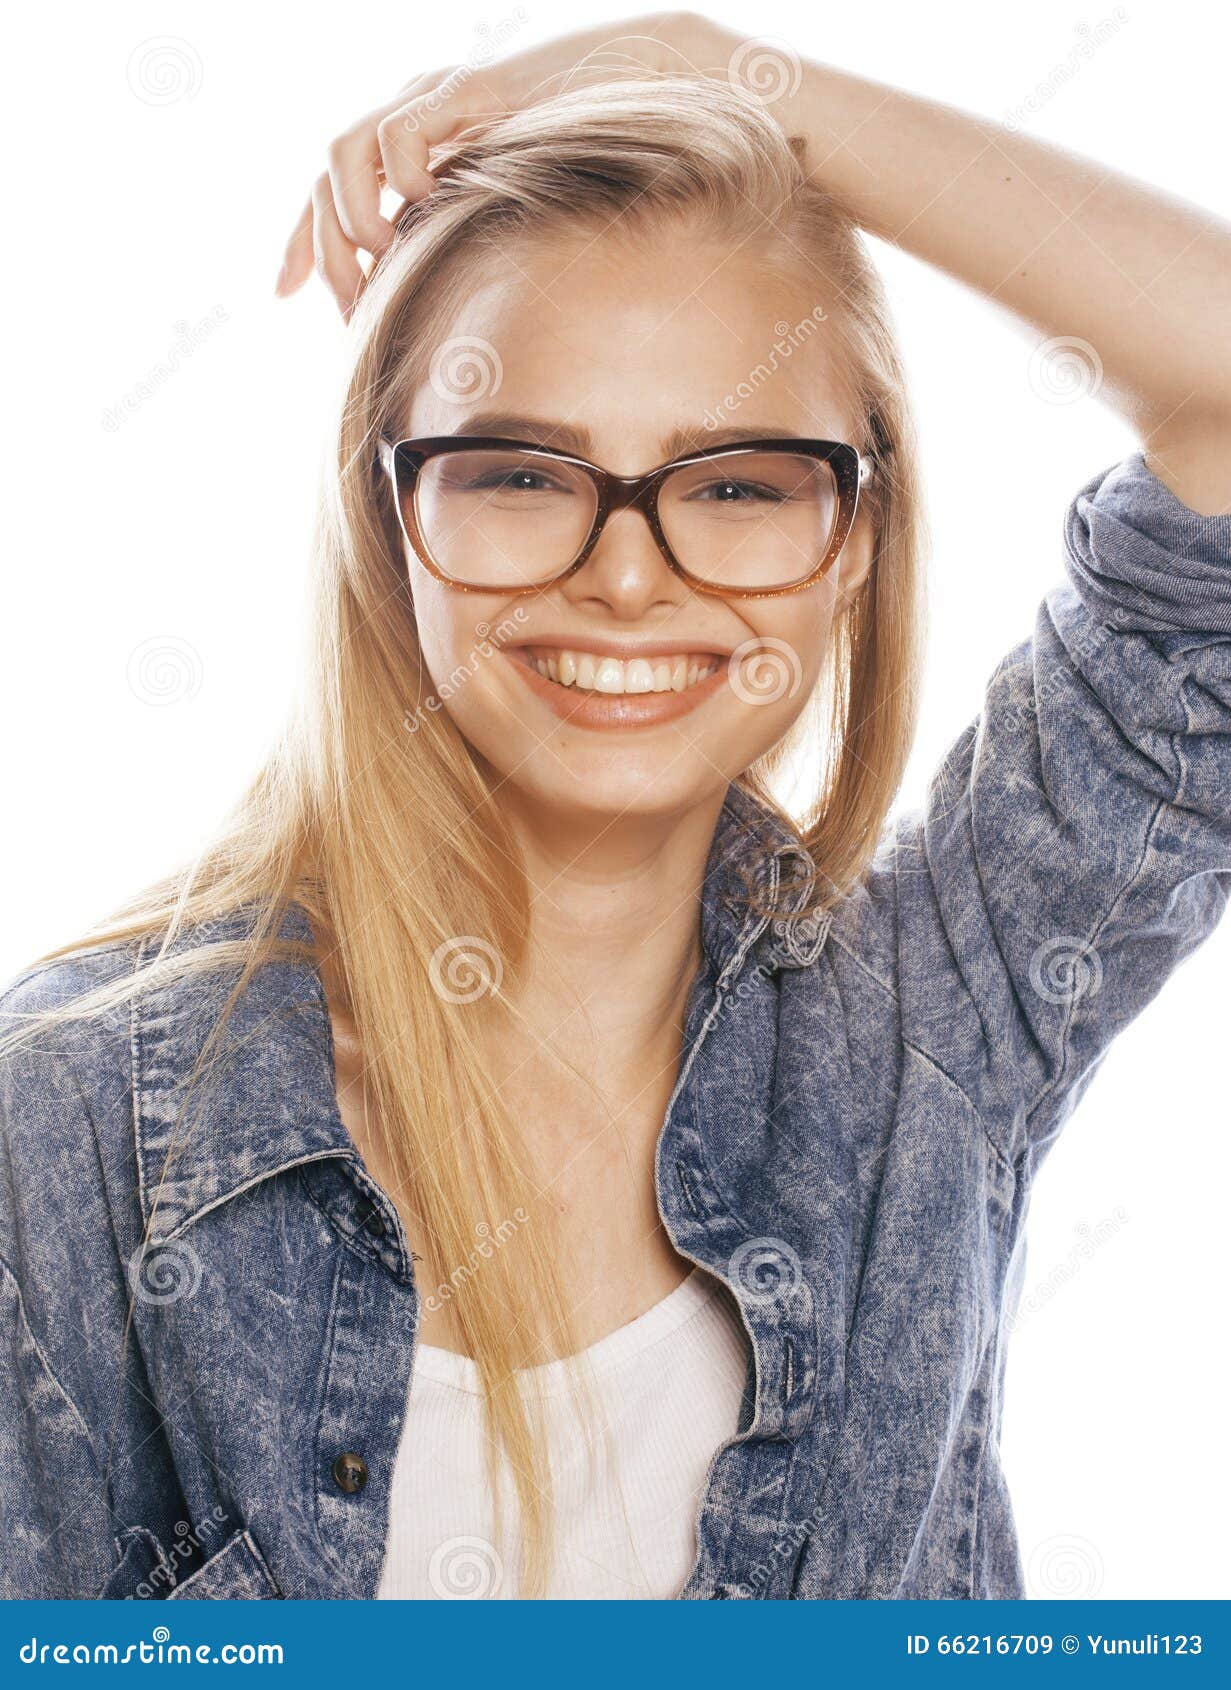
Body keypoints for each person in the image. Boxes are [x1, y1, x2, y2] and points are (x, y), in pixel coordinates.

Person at [2, 11, 1228, 1601]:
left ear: (856, 535)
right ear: (394, 520)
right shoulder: (80, 1120)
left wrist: (714, 61)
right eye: (521, 472)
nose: (629, 575)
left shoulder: (943, 1022)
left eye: (736, 481)